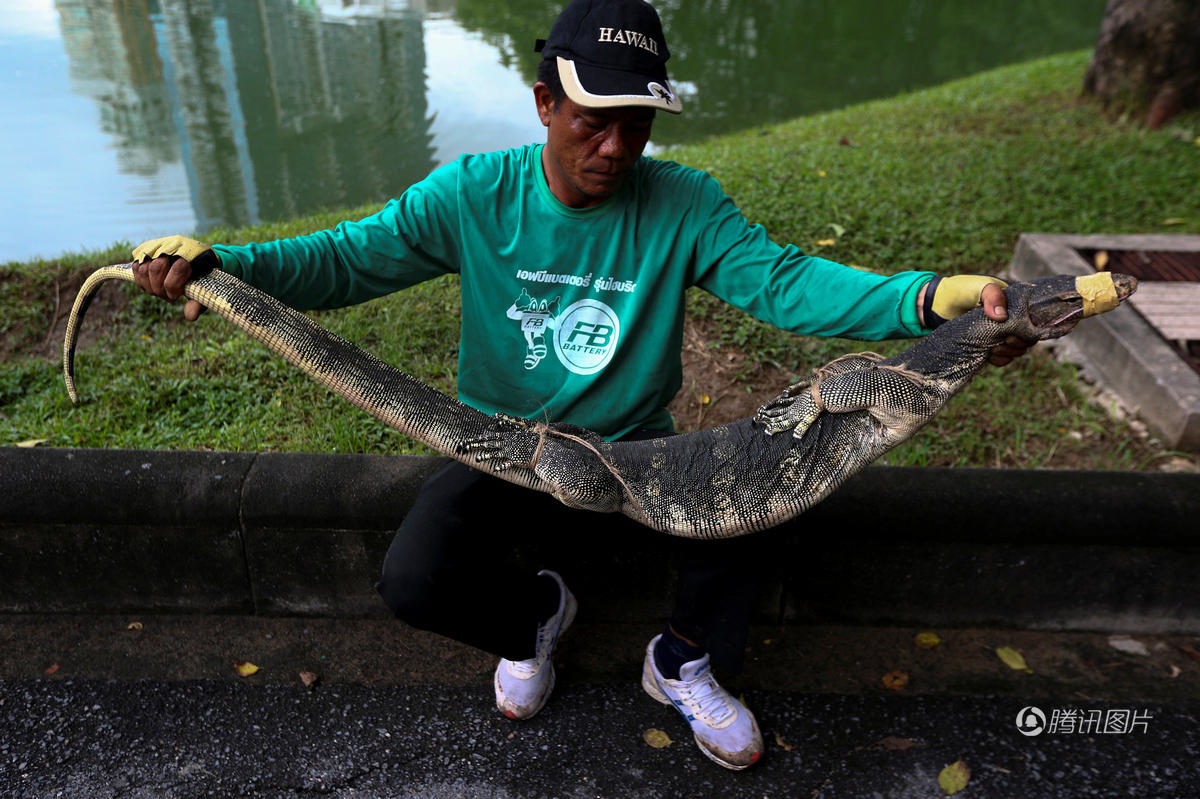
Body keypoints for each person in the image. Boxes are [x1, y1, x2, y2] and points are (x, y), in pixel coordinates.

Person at [130, 0, 1032, 771]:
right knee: (412, 579)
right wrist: (218, 264)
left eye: (635, 126)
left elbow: (787, 281)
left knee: (766, 495)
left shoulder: (683, 203)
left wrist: (929, 298)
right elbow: (340, 260)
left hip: (638, 449)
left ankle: (679, 661)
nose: (614, 148)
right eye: (590, 122)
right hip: (505, 445)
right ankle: (536, 618)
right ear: (543, 102)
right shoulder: (473, 194)